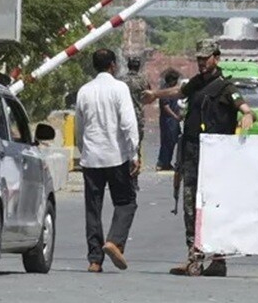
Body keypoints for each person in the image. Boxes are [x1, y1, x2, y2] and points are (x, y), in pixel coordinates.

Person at [142, 39, 255, 277]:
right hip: (192, 152)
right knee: (191, 205)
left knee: (215, 206)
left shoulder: (225, 87)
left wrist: (247, 117)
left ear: (217, 57)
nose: (202, 63)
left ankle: (218, 259)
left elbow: (245, 108)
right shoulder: (197, 83)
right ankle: (194, 257)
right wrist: (155, 95)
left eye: (206, 58)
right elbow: (179, 91)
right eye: (199, 59)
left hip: (216, 156)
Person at [75, 48, 141, 273]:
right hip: (116, 157)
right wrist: (134, 154)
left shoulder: (84, 91)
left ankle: (95, 259)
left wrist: (83, 150)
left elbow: (79, 127)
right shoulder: (119, 88)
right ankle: (114, 241)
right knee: (126, 202)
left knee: (93, 209)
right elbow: (128, 123)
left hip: (91, 158)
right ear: (113, 65)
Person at [119, 55, 151, 190]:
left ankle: (122, 179)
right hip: (137, 117)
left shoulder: (122, 80)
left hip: (122, 117)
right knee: (136, 147)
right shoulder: (143, 80)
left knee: (121, 146)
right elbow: (149, 96)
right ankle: (134, 180)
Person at [156, 71, 181, 171]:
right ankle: (162, 162)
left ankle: (167, 162)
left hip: (173, 120)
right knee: (167, 141)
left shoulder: (171, 90)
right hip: (168, 120)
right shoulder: (165, 91)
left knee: (172, 141)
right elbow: (166, 106)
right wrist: (175, 116)